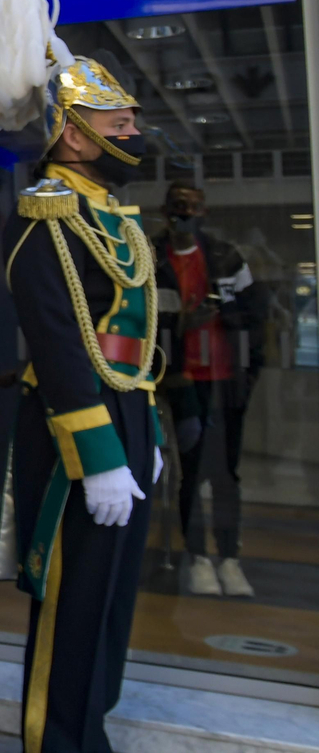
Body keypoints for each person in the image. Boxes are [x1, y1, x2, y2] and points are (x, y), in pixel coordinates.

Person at [0, 58, 165, 753]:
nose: (133, 131)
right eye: (117, 122)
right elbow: (62, 344)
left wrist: (144, 431)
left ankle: (89, 729)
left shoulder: (107, 211)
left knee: (111, 598)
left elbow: (134, 331)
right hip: (77, 428)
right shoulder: (45, 216)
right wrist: (99, 458)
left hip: (124, 411)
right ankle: (57, 740)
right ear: (72, 136)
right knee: (72, 600)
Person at [154, 180, 267, 597]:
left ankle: (230, 558)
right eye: (180, 205)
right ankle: (199, 556)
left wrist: (250, 372)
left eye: (195, 206)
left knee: (226, 474)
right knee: (193, 471)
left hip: (227, 381)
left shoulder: (225, 257)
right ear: (167, 210)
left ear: (205, 212)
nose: (187, 212)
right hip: (183, 382)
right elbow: (142, 322)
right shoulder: (150, 257)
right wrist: (175, 346)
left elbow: (257, 315)